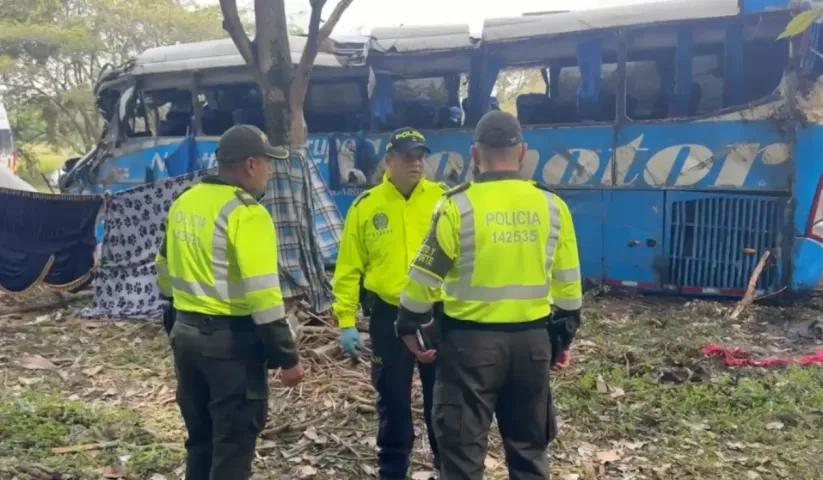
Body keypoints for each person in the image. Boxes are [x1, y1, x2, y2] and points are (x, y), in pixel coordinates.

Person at [395, 110, 584, 480]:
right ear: (523, 152)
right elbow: (570, 289)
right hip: (532, 346)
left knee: (462, 457)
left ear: (475, 155)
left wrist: (408, 326)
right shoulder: (552, 206)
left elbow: (421, 281)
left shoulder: (456, 206)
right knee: (530, 453)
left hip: (469, 350)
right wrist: (561, 341)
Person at [154, 124, 305, 480]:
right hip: (230, 347)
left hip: (186, 334)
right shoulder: (247, 213)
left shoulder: (185, 200)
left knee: (201, 440)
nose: (270, 171)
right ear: (251, 164)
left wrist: (177, 320)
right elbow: (264, 297)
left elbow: (163, 266)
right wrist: (287, 358)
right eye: (268, 163)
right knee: (233, 447)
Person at [332, 127, 446, 479]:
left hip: (437, 315)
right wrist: (346, 321)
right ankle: (394, 469)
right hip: (387, 316)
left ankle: (448, 466)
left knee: (442, 398)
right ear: (388, 161)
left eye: (421, 156)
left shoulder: (444, 200)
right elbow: (349, 268)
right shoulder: (366, 207)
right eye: (408, 156)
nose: (416, 163)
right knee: (392, 398)